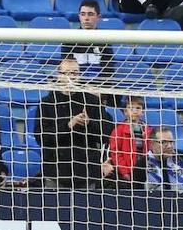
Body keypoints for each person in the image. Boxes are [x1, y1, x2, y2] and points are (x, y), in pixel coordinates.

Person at [38, 57, 109, 186]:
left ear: (79, 75)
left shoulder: (91, 101)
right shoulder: (47, 103)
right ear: (58, 75)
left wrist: (89, 123)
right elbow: (41, 138)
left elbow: (106, 135)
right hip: (56, 173)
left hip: (87, 174)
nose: (71, 77)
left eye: (74, 73)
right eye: (66, 73)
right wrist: (69, 125)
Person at [106, 96, 150, 187]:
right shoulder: (119, 130)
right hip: (127, 170)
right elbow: (115, 153)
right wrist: (124, 171)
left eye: (138, 108)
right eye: (131, 108)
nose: (135, 111)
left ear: (143, 112)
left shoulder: (148, 130)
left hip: (144, 169)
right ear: (125, 112)